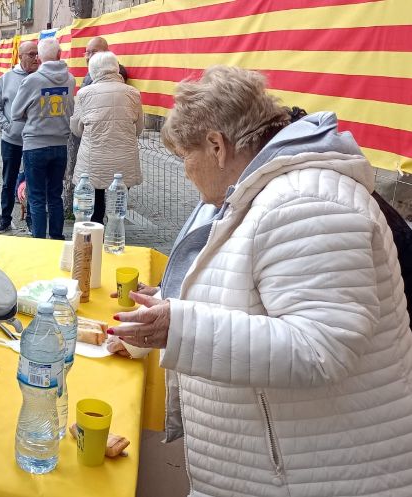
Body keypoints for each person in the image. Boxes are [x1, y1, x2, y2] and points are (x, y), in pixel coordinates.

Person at [110, 66, 412, 496]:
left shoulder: (306, 201)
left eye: (185, 158)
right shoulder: (270, 190)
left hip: (317, 475)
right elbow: (263, 290)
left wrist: (180, 326)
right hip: (291, 463)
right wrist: (175, 297)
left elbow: (322, 346)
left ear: (216, 145)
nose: (186, 173)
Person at [10, 37, 75, 240]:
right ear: (60, 54)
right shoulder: (70, 79)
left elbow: (15, 112)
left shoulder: (32, 80)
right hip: (60, 145)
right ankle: (56, 238)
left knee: (37, 197)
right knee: (55, 196)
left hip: (35, 145)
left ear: (39, 58)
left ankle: (39, 241)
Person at [70, 51, 143, 223]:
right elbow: (139, 128)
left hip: (93, 160)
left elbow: (76, 128)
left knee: (93, 211)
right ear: (116, 68)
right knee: (117, 209)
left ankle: (95, 243)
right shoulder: (133, 93)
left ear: (93, 70)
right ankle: (115, 239)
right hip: (124, 160)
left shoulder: (84, 94)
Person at [0, 40, 39, 234]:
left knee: (34, 181)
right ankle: (4, 219)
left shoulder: (42, 78)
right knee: (8, 181)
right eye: (31, 54)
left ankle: (33, 221)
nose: (36, 58)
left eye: (37, 54)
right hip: (12, 140)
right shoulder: (7, 78)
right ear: (20, 56)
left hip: (36, 141)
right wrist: (6, 126)